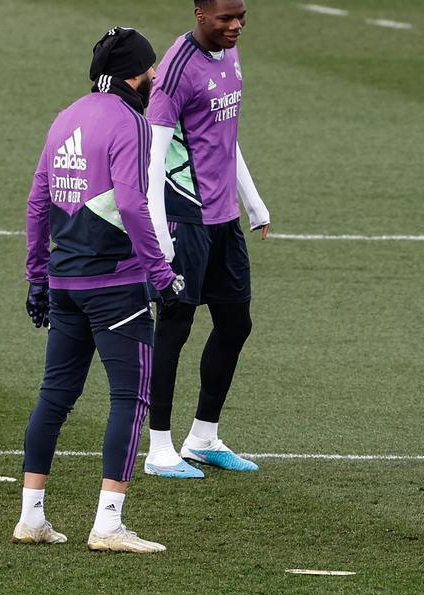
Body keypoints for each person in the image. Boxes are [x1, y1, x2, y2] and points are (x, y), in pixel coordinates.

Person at [16, 27, 181, 553]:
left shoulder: (67, 115)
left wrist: (37, 275)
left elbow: (38, 201)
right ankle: (108, 524)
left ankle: (31, 517)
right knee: (131, 399)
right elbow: (132, 204)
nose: (156, 77)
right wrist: (160, 273)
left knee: (55, 397)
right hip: (114, 284)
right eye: (152, 69)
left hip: (64, 283)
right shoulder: (130, 122)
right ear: (138, 72)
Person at [143, 0, 271, 478]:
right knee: (173, 330)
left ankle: (203, 437)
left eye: (242, 18)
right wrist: (158, 236)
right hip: (182, 218)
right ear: (199, 13)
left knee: (236, 323)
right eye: (226, 19)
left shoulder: (229, 53)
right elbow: (154, 161)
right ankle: (159, 448)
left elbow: (224, 136)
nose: (236, 26)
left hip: (223, 219)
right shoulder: (176, 69)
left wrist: (252, 203)